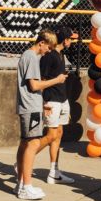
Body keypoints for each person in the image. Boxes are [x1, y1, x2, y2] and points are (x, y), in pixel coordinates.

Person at [14, 31, 66, 200]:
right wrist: (56, 80)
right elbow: (35, 85)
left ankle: (22, 183)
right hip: (31, 107)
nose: (48, 51)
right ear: (41, 43)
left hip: (29, 106)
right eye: (48, 47)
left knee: (25, 144)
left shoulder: (28, 56)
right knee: (33, 144)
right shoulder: (31, 57)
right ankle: (26, 186)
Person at [40, 29, 74, 185]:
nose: (71, 42)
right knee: (51, 135)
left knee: (58, 134)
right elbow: (41, 79)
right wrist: (42, 102)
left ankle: (54, 172)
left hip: (62, 98)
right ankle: (24, 159)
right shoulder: (49, 56)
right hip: (51, 100)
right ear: (65, 40)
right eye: (70, 39)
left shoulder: (61, 55)